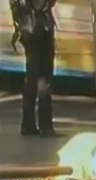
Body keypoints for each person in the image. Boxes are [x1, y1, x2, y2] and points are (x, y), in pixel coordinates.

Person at [9, 0, 57, 137]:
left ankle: (28, 123)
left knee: (32, 76)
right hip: (40, 27)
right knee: (44, 77)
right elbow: (43, 4)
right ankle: (45, 125)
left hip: (27, 27)